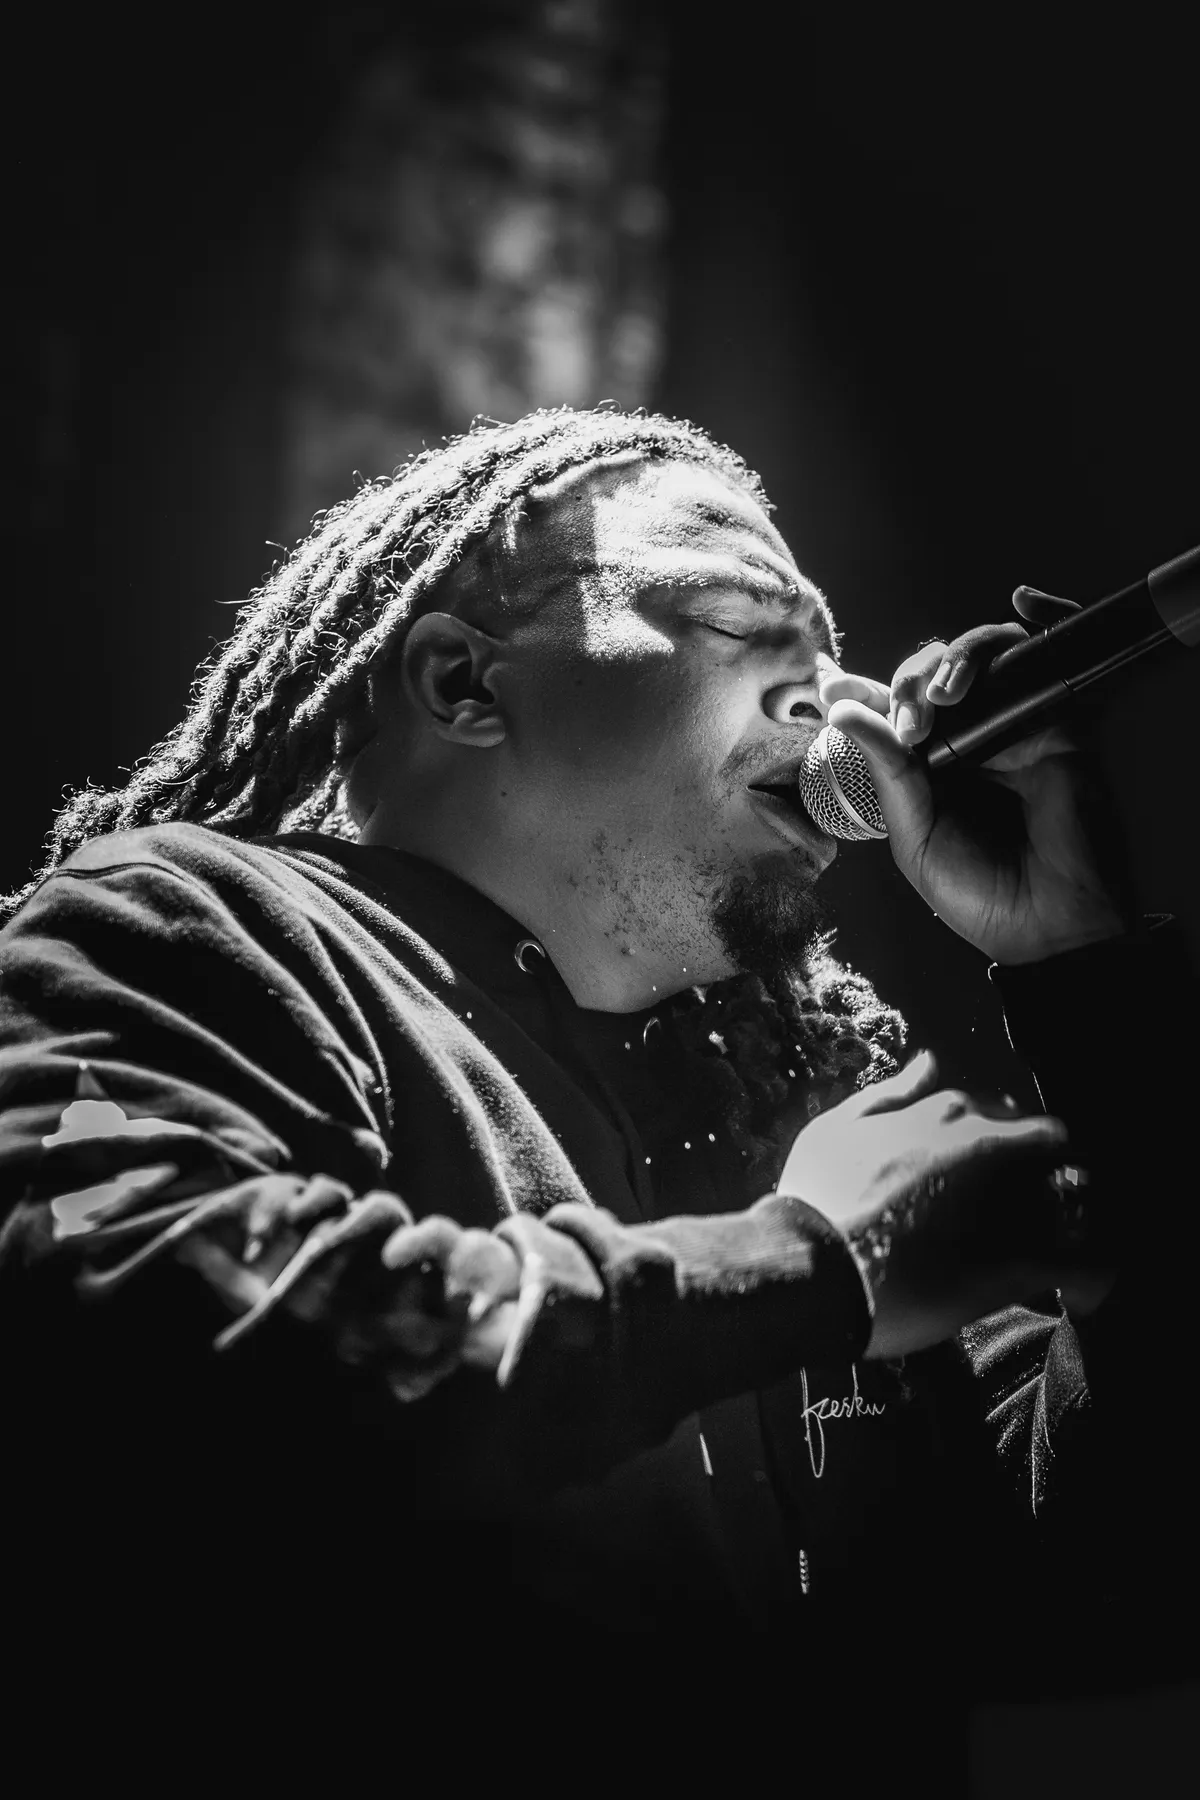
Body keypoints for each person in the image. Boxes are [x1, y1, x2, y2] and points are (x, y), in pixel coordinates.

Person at [1, 408, 1192, 1724]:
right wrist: (811, 1272)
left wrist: (1088, 975)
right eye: (739, 625)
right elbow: (145, 1330)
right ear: (461, 682)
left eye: (833, 658)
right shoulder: (165, 929)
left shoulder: (791, 1097)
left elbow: (1129, 1582)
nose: (837, 703)